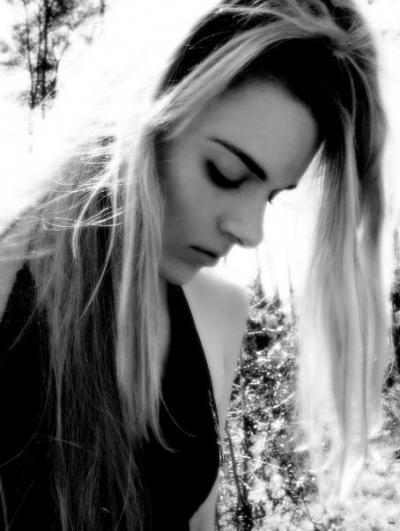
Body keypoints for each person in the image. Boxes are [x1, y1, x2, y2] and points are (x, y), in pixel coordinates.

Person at [0, 0, 389, 529]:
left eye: (272, 195)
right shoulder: (7, 286)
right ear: (140, 120)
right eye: (226, 173)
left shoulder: (217, 314)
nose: (250, 231)